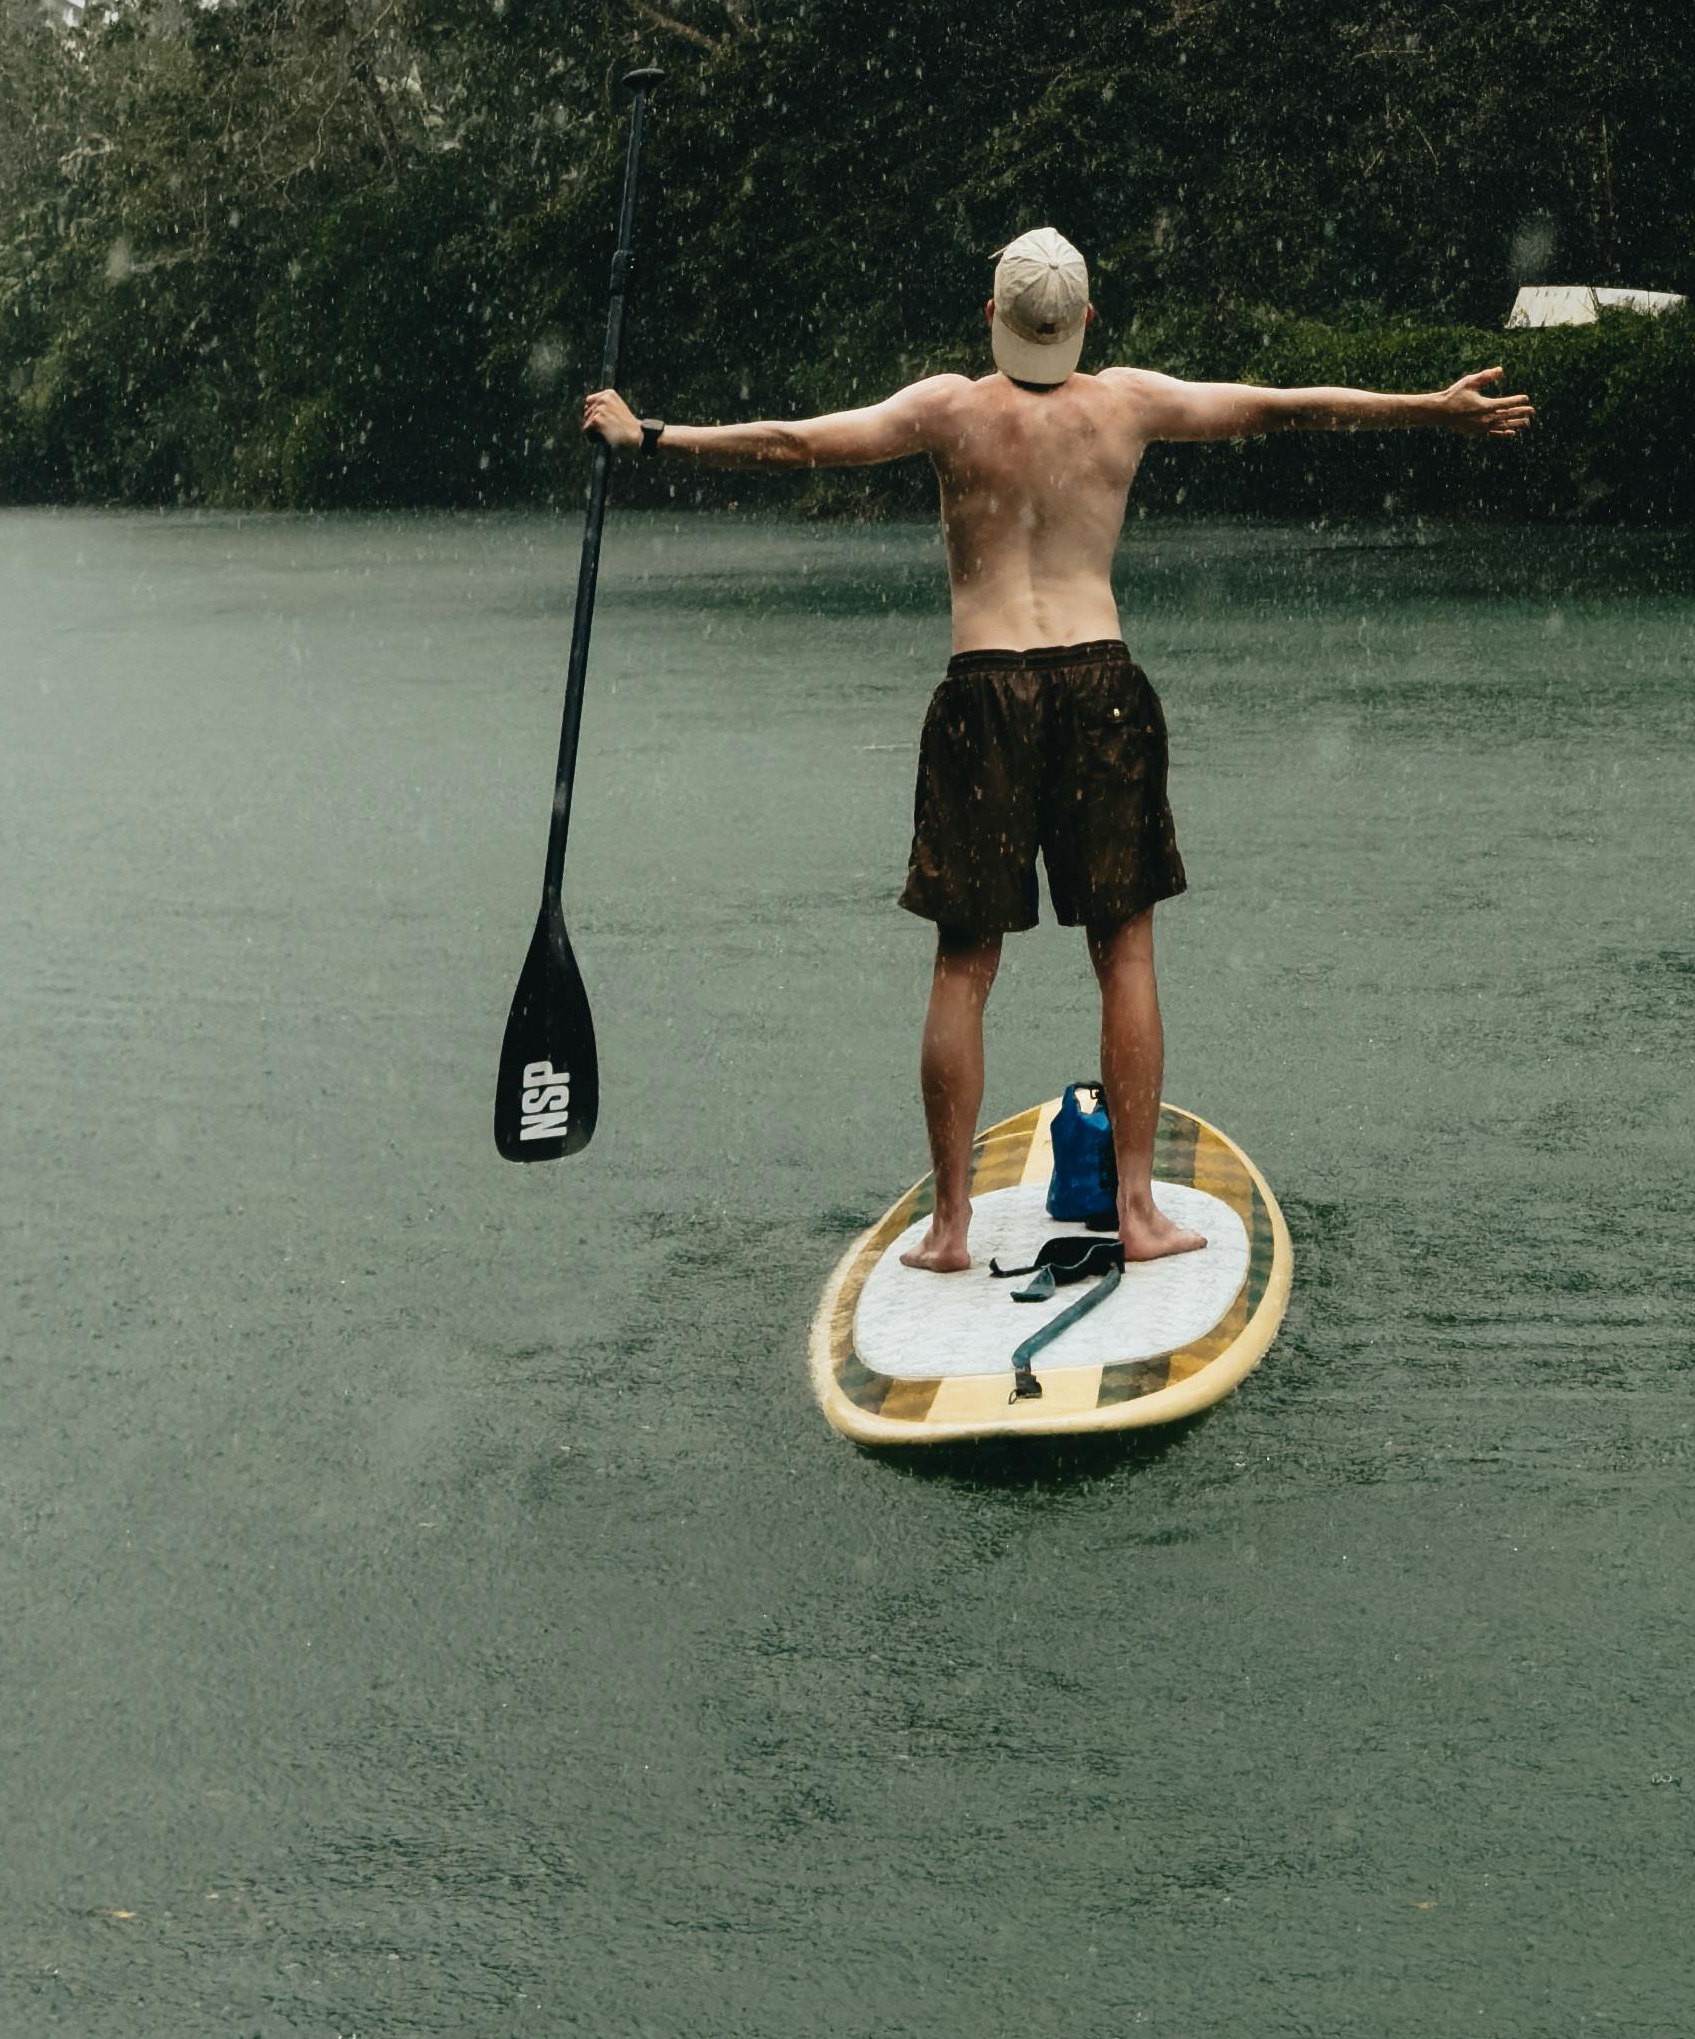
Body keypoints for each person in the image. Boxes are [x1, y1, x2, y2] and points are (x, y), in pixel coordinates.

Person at [585, 227, 1531, 1265]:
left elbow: (794, 443)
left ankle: (949, 1228)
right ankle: (1135, 1210)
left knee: (962, 965)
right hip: (1099, 687)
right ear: (1085, 321)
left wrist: (651, 435)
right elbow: (1282, 403)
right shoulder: (1124, 402)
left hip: (984, 688)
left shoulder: (946, 409)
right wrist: (1431, 411)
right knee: (1121, 953)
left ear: (989, 317)